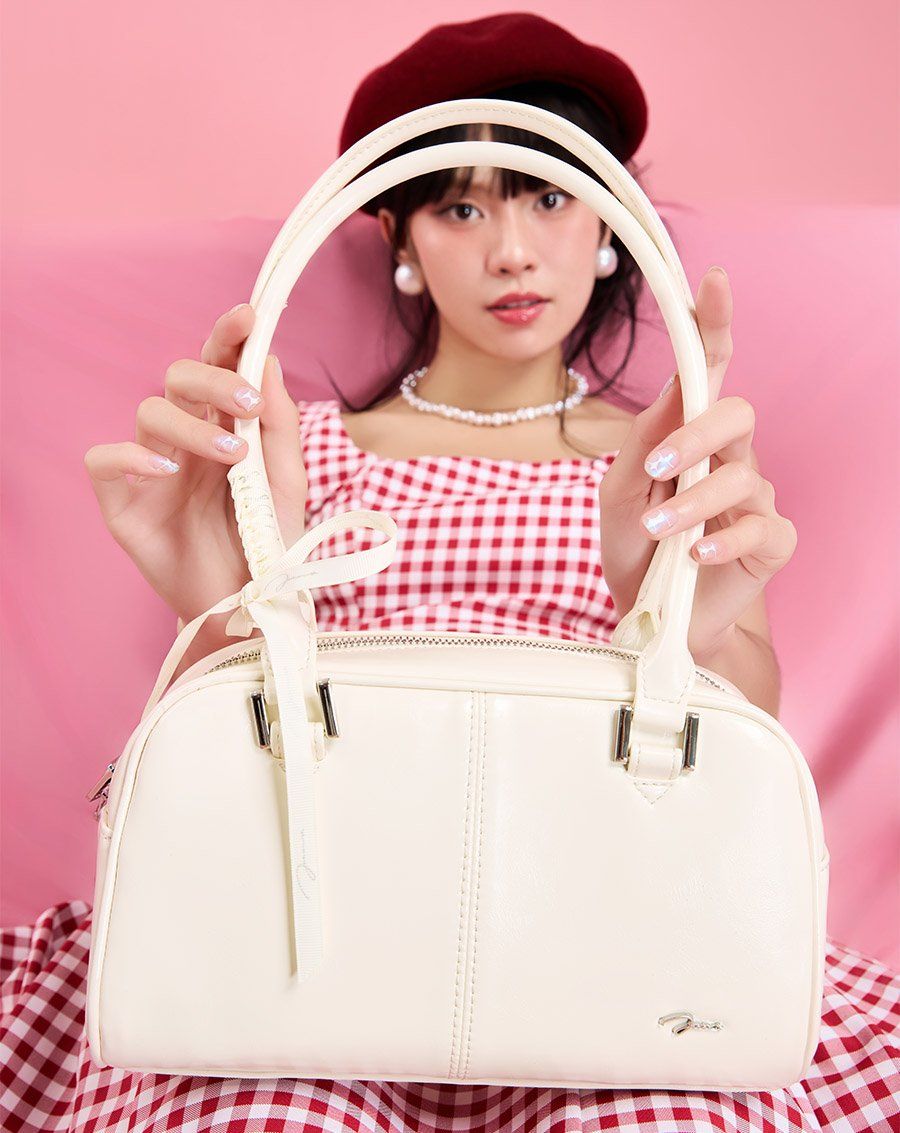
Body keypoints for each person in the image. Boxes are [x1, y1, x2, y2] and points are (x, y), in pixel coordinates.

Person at [2, 13, 897, 1131]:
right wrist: (222, 604)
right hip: (316, 928)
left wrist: (688, 621)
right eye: (460, 207)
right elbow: (244, 750)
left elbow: (738, 739)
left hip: (609, 924)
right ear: (400, 236)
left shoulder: (671, 462)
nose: (511, 250)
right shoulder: (290, 449)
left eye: (548, 197)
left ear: (610, 221)